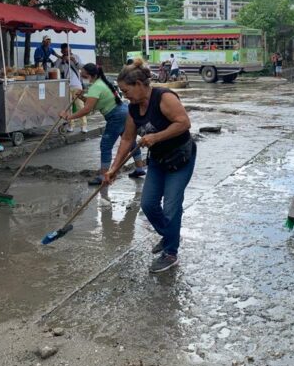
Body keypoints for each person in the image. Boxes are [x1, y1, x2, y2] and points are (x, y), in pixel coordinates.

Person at [106, 58, 196, 273]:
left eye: (125, 90)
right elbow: (127, 139)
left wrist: (157, 137)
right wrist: (113, 168)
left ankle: (171, 252)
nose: (123, 94)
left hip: (180, 158)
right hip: (158, 160)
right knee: (148, 205)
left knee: (172, 206)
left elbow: (184, 123)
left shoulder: (164, 97)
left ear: (139, 84)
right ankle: (170, 235)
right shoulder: (133, 108)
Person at [61, 63, 146, 184]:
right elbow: (95, 103)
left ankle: (103, 176)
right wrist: (82, 98)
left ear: (89, 74)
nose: (80, 73)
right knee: (130, 142)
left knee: (106, 145)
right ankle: (139, 168)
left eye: (82, 71)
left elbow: (87, 109)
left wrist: (69, 117)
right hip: (123, 112)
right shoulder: (101, 83)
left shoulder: (96, 87)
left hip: (116, 116)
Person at [57, 43, 87, 133]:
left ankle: (84, 126)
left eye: (69, 50)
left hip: (76, 85)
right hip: (66, 86)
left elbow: (82, 67)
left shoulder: (76, 57)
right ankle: (71, 125)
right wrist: (62, 61)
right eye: (65, 51)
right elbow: (58, 71)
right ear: (62, 51)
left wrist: (74, 61)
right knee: (68, 107)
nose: (68, 52)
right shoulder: (59, 59)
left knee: (80, 106)